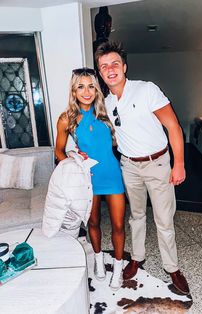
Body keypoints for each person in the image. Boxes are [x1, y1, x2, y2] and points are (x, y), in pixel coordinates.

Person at [95, 42, 190, 295]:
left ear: (124, 67)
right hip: (129, 166)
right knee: (136, 216)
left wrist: (178, 164)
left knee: (164, 220)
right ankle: (137, 257)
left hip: (158, 164)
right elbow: (107, 136)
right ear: (101, 73)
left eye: (115, 64)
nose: (110, 69)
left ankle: (172, 268)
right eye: (104, 67)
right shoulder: (106, 102)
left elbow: (174, 127)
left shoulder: (147, 90)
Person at [55, 67, 126, 291]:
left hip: (112, 175)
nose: (86, 92)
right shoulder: (67, 118)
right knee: (93, 222)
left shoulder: (107, 113)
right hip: (87, 178)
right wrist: (73, 159)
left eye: (91, 86)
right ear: (74, 91)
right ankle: (98, 261)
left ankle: (117, 267)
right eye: (80, 87)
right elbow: (58, 151)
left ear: (97, 89)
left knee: (118, 225)